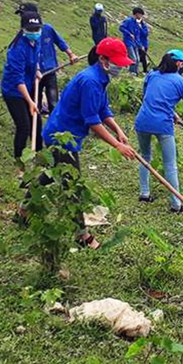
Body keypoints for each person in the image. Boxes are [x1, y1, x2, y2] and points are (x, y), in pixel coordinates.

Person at [41, 38, 138, 249]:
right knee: (73, 185)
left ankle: (22, 211)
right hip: (61, 137)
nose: (120, 67)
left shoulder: (100, 78)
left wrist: (119, 131)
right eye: (117, 62)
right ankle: (82, 234)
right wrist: (117, 146)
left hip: (66, 134)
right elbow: (92, 120)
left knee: (49, 175)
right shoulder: (91, 81)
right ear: (103, 59)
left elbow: (103, 111)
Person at [135, 49, 183, 212]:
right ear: (179, 63)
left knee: (144, 157)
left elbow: (149, 97)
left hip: (142, 121)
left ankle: (144, 193)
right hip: (162, 125)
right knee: (170, 164)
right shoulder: (181, 82)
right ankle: (176, 205)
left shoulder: (151, 74)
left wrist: (172, 113)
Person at [15, 3, 77, 113]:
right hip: (33, 73)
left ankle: (56, 125)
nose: (22, 18)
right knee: (35, 99)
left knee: (53, 99)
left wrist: (71, 54)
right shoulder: (23, 35)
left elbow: (60, 42)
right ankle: (36, 122)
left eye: (24, 15)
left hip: (50, 69)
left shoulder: (48, 29)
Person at [1, 11, 43, 161]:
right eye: (31, 30)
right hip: (14, 91)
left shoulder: (36, 42)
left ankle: (39, 158)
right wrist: (30, 102)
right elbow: (18, 80)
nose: (35, 32)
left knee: (37, 123)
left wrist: (37, 69)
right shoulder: (17, 49)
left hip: (29, 85)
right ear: (23, 29)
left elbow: (35, 58)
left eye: (37, 29)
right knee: (24, 126)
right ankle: (19, 163)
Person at [119, 7, 149, 76]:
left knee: (138, 59)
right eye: (141, 15)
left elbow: (138, 36)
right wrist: (129, 34)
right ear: (137, 14)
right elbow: (121, 27)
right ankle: (132, 73)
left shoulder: (137, 23)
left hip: (135, 44)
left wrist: (141, 45)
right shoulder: (128, 20)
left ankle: (135, 72)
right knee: (133, 58)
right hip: (128, 43)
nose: (141, 17)